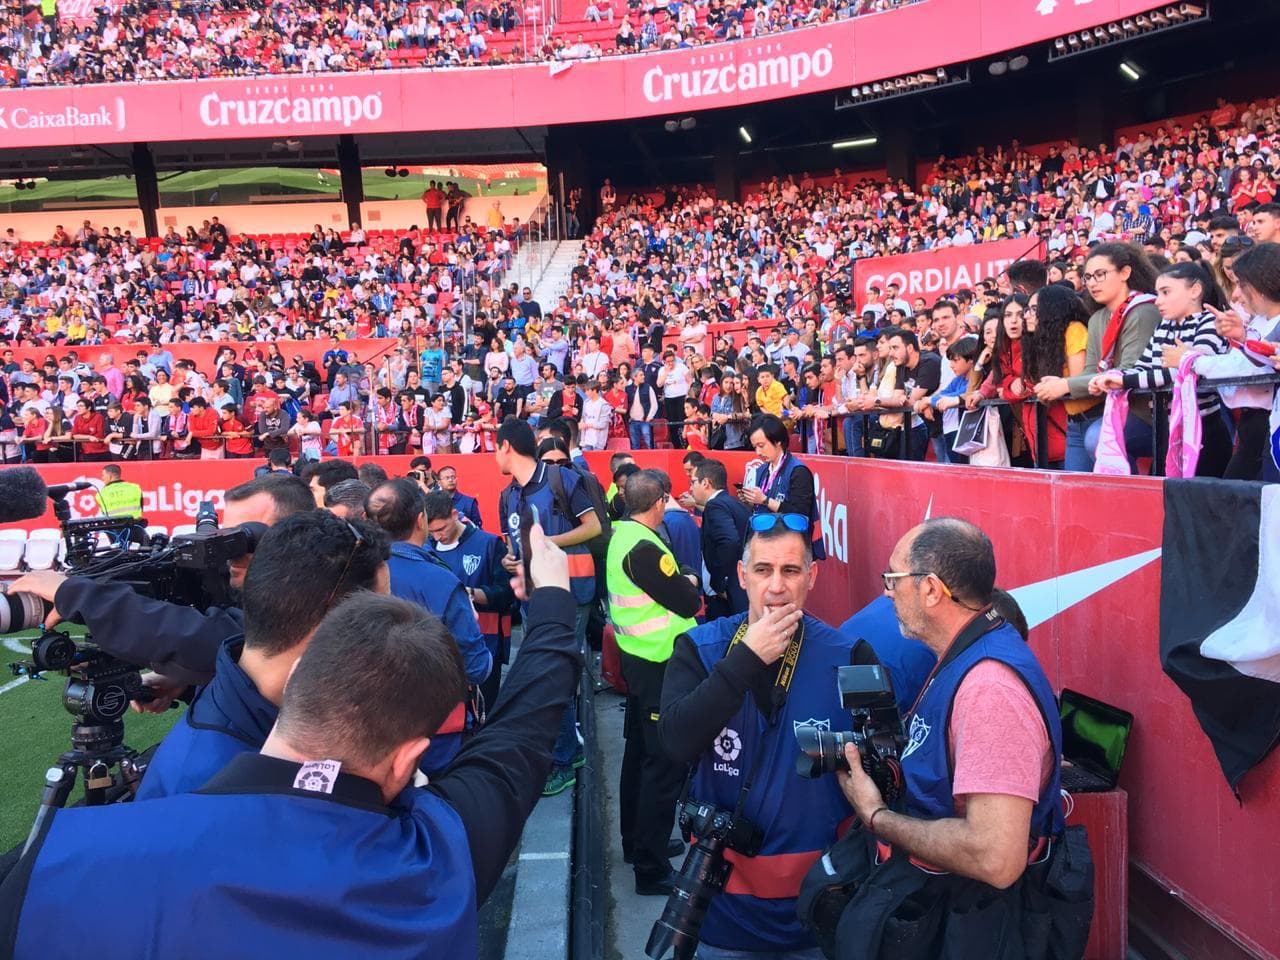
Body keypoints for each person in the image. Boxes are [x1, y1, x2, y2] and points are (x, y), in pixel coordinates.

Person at [0, 531, 583, 959]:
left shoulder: (52, 860)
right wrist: (554, 600)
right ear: (409, 760)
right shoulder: (427, 869)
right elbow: (519, 738)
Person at [830, 518, 1078, 957]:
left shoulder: (990, 690)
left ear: (931, 589)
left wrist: (877, 816)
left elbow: (996, 859)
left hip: (975, 926)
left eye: (893, 579)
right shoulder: (964, 652)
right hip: (946, 911)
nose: (887, 592)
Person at [659, 512, 851, 958]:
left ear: (812, 576)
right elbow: (673, 743)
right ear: (742, 576)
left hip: (818, 919)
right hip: (722, 919)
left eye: (791, 571)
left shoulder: (849, 655)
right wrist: (745, 660)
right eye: (763, 570)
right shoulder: (700, 649)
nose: (777, 586)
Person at [133, 512, 391, 800]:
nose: (389, 627)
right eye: (380, 610)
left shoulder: (253, 690)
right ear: (329, 617)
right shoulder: (217, 789)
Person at [7, 474, 315, 686]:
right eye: (226, 536)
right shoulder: (253, 588)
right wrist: (185, 685)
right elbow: (241, 670)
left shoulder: (314, 598)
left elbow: (221, 642)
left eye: (245, 538)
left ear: (294, 536)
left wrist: (77, 595)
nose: (230, 552)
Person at [608, 469, 703, 895]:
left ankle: (638, 843)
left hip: (639, 661)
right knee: (661, 766)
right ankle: (651, 866)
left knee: (640, 758)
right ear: (660, 502)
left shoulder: (622, 535)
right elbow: (686, 601)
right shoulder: (644, 546)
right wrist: (690, 579)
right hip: (658, 664)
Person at [495, 416, 602, 795]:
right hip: (533, 595)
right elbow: (514, 544)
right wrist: (513, 558)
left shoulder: (562, 479)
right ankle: (565, 752)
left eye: (496, 448)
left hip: (571, 591)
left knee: (555, 673)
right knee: (547, 671)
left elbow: (593, 528)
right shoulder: (508, 494)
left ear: (506, 446)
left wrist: (548, 542)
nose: (496, 456)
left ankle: (563, 759)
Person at [366, 478, 493, 775]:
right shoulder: (440, 581)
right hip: (439, 733)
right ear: (421, 519)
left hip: (371, 730)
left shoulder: (351, 572)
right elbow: (476, 667)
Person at [1036, 242, 1161, 472]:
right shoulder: (1097, 319)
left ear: (1125, 273)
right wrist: (1057, 385)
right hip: (1114, 411)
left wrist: (1064, 385)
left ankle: (1134, 502)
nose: (1092, 283)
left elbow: (1128, 371)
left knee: (1097, 438)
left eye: (1100, 274)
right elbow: (1092, 372)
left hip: (1151, 414)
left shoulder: (1143, 311)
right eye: (1088, 277)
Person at [424, 491, 514, 713]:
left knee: (484, 711)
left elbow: (506, 596)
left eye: (441, 529)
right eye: (431, 531)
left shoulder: (489, 544)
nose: (437, 536)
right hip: (439, 646)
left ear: (454, 514)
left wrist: (467, 594)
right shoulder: (426, 549)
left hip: (484, 642)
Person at [739, 414, 826, 561]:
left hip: (791, 549)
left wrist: (765, 500)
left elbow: (800, 514)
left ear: (778, 441)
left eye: (761, 446)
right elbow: (758, 507)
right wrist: (749, 500)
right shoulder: (761, 470)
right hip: (764, 543)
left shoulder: (798, 471)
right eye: (755, 447)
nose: (758, 452)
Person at [689, 458, 750, 620]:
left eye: (693, 482)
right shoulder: (734, 504)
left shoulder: (715, 506)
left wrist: (721, 582)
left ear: (706, 483)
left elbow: (729, 541)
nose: (690, 488)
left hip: (728, 594)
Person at [436, 464, 484, 528]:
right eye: (447, 478)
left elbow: (477, 528)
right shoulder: (435, 502)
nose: (450, 480)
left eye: (453, 477)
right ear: (439, 482)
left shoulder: (469, 502)